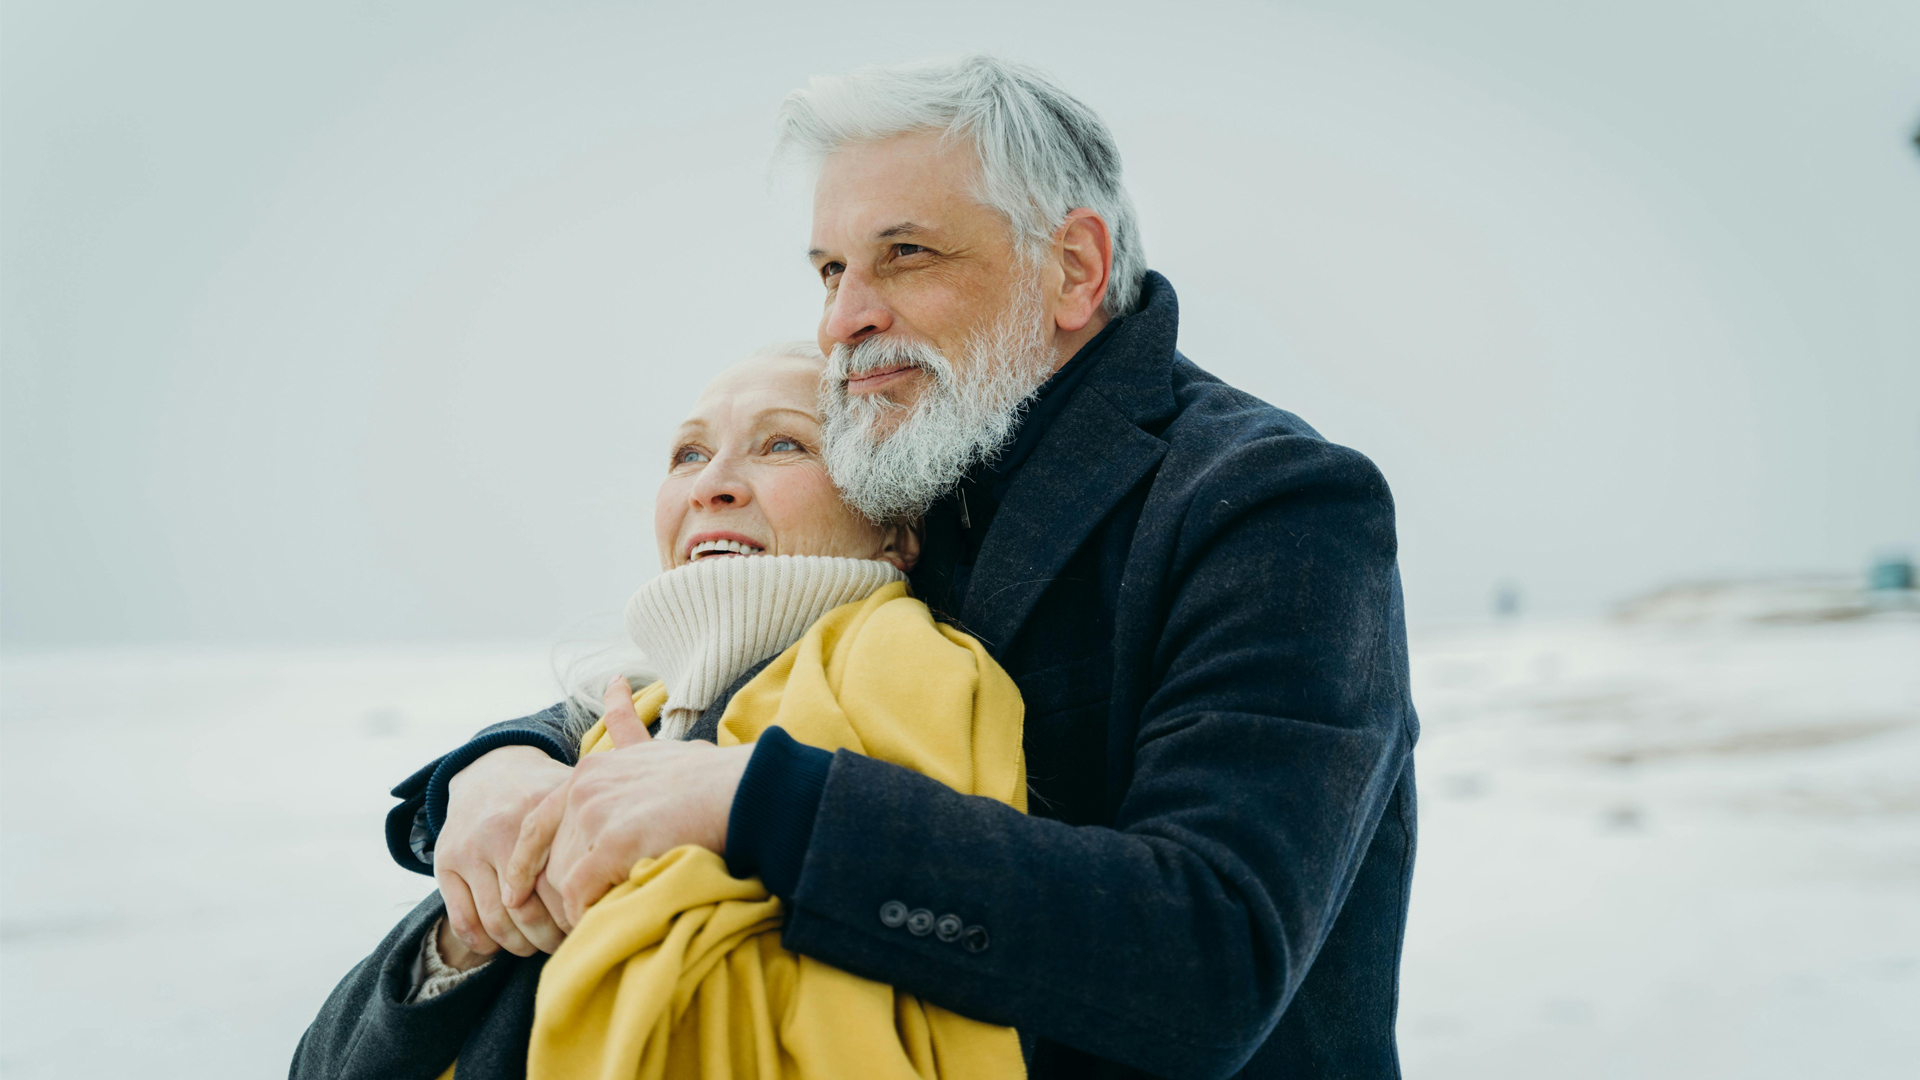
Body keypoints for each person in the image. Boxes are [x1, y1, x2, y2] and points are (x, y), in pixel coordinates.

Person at [385, 56, 1418, 1079]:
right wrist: (499, 766)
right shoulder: (917, 465)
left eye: (906, 254)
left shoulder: (1272, 502)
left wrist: (754, 804)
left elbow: (1215, 954)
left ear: (1073, 268)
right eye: (831, 270)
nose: (842, 321)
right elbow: (710, 667)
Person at [294, 346, 1032, 1078]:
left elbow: (935, 945)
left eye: (783, 444)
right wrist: (467, 934)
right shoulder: (616, 724)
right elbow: (322, 1064)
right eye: (688, 455)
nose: (711, 485)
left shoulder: (911, 667)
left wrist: (650, 874)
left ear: (897, 529)